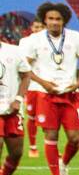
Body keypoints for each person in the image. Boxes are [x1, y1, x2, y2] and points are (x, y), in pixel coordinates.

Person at [23, 2, 79, 175]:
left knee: (75, 138)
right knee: (51, 134)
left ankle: (63, 164)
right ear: (44, 19)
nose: (54, 22)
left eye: (58, 19)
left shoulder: (75, 37)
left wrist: (78, 83)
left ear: (64, 20)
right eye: (50, 19)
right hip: (46, 95)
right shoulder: (34, 40)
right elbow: (25, 67)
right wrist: (43, 83)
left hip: (70, 94)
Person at [0, 35, 24, 175]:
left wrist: (18, 99)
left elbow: (27, 75)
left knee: (16, 153)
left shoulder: (14, 51)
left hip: (12, 110)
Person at [18, 18, 43, 157]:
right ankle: (33, 147)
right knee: (32, 116)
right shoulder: (25, 42)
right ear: (32, 28)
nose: (38, 29)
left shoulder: (50, 42)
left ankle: (51, 146)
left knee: (50, 118)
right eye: (36, 27)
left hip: (47, 85)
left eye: (40, 27)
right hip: (33, 84)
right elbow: (21, 61)